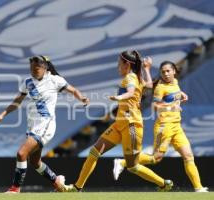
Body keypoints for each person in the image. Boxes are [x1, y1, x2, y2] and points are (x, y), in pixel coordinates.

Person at [63, 51, 173, 192]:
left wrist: (120, 98)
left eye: (119, 63)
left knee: (133, 166)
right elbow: (150, 85)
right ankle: (77, 187)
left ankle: (164, 184)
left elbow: (131, 92)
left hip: (132, 125)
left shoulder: (130, 79)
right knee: (94, 151)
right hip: (120, 123)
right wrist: (146, 68)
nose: (117, 66)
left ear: (127, 64)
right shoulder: (136, 76)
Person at [0, 55, 89, 193]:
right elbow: (17, 102)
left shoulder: (55, 80)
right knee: (35, 162)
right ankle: (57, 182)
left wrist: (82, 98)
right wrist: (3, 113)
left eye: (37, 67)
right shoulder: (28, 82)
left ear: (45, 67)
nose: (33, 70)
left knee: (21, 153)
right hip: (32, 126)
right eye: (31, 67)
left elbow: (73, 90)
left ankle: (15, 189)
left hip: (46, 125)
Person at [113, 61, 208, 192]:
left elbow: (174, 93)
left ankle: (198, 188)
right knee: (155, 159)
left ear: (174, 71)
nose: (166, 74)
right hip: (164, 126)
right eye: (163, 72)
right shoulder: (160, 87)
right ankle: (123, 162)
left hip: (176, 126)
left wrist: (182, 94)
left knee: (188, 156)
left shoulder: (175, 82)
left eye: (168, 71)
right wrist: (171, 106)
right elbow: (156, 105)